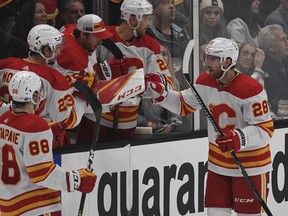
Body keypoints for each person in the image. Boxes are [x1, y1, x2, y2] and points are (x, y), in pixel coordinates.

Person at [145, 37, 274, 215]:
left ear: (227, 62)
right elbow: (183, 104)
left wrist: (239, 138)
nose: (207, 62)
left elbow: (265, 129)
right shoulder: (205, 81)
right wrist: (163, 95)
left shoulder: (251, 89)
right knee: (214, 213)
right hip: (218, 165)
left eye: (213, 58)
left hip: (250, 165)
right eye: (207, 57)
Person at [0, 71, 96, 216]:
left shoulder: (4, 118)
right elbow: (42, 173)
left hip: (8, 206)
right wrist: (77, 180)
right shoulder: (36, 126)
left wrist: (53, 128)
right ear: (35, 96)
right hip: (36, 207)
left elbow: (20, 138)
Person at [0, 24, 77, 148]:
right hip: (33, 139)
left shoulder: (5, 64)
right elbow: (61, 117)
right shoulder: (55, 79)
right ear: (46, 50)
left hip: (5, 133)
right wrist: (80, 98)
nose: (60, 51)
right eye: (57, 47)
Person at [258, 24, 288, 118]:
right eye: (283, 40)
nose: (287, 42)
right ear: (271, 48)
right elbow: (283, 95)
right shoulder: (264, 67)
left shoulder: (284, 60)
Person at [199, 0, 230, 72]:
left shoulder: (225, 34)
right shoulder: (192, 31)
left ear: (221, 16)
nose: (212, 17)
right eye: (208, 13)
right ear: (202, 15)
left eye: (216, 13)